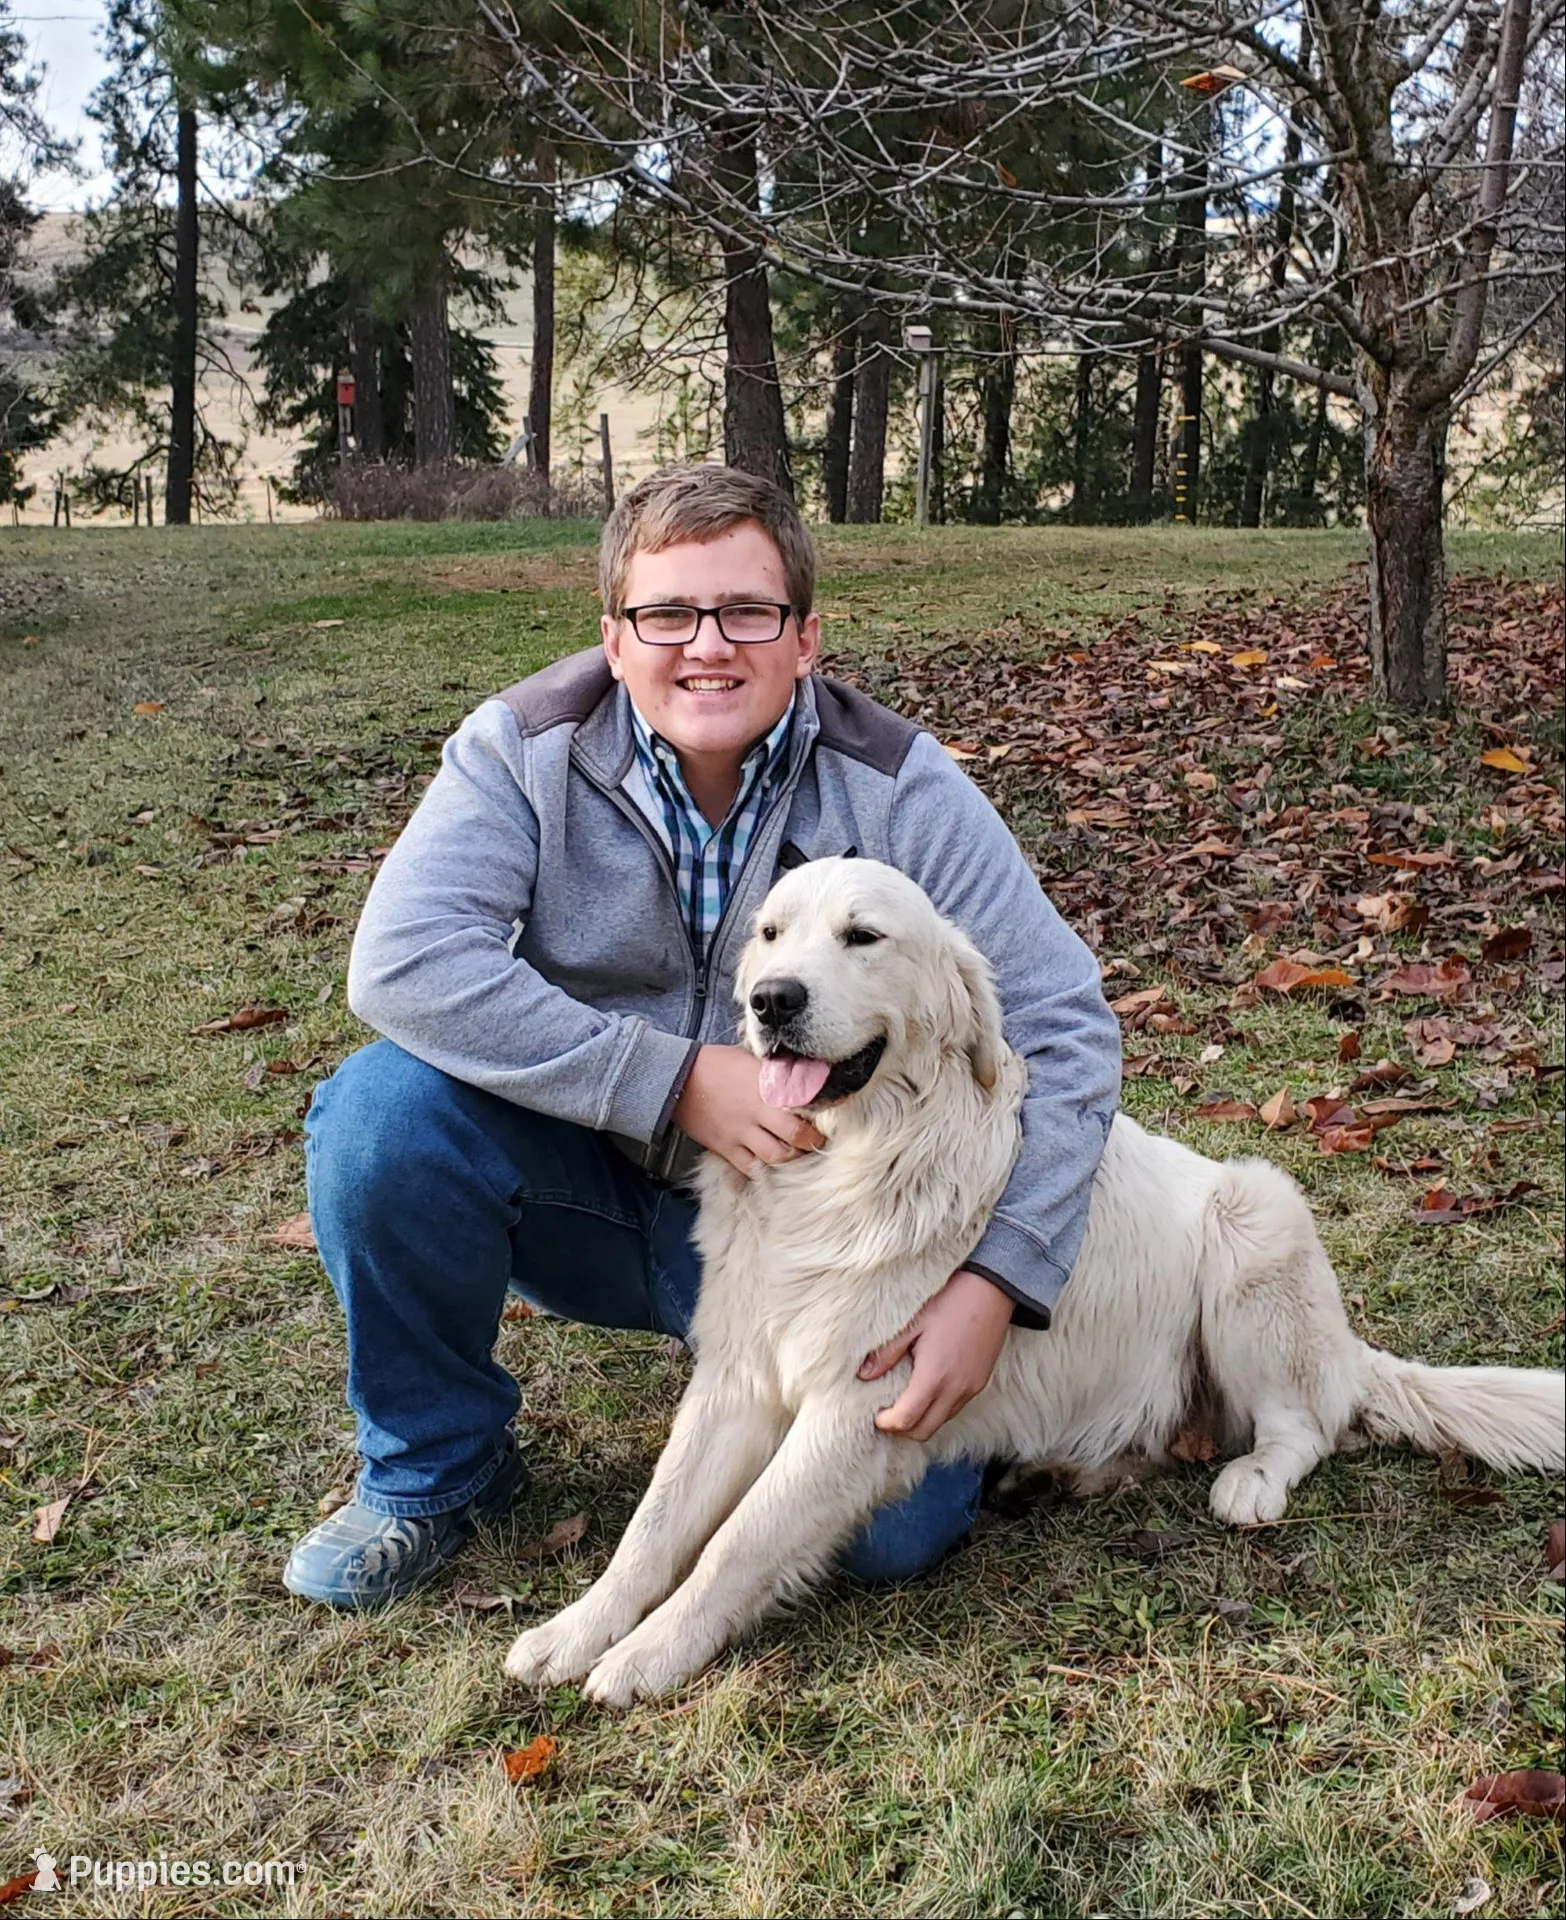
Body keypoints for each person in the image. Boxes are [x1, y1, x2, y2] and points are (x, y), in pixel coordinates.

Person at [285, 463, 1121, 1609]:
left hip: (826, 1235)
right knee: (382, 1119)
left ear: (806, 636)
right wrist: (670, 1079)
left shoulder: (902, 789)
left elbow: (1067, 1031)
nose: (707, 647)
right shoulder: (521, 749)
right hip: (586, 1180)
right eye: (667, 614)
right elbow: (403, 961)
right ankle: (435, 1474)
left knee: (883, 1544)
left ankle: (840, 1400)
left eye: (746, 612)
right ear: (616, 637)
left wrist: (996, 1282)